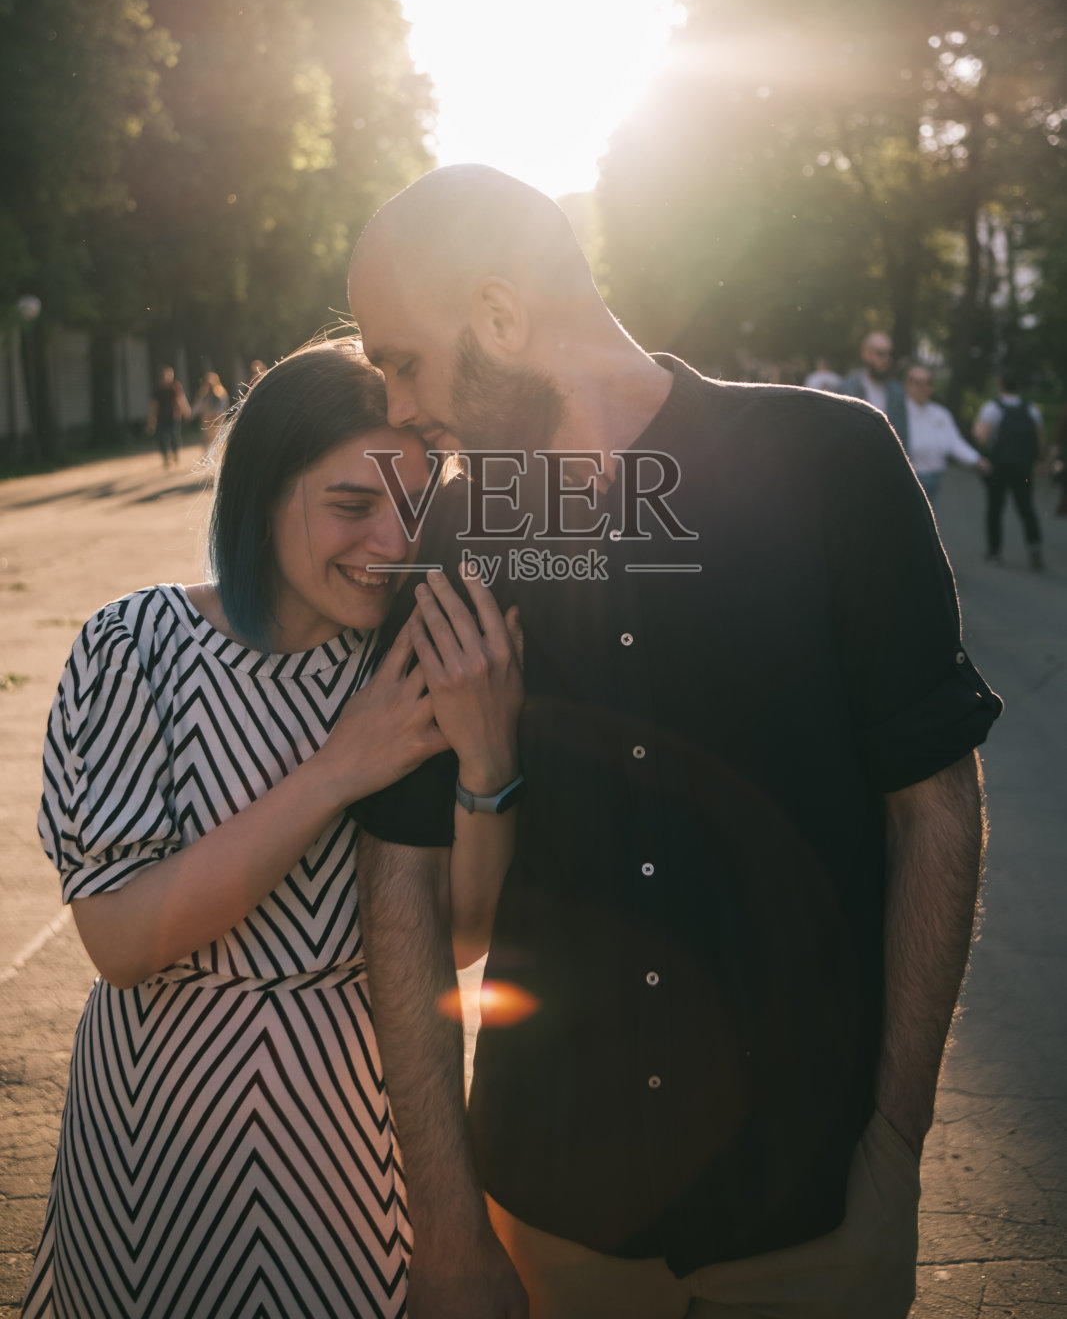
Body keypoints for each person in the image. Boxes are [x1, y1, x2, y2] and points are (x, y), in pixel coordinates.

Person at [346, 165, 1002, 1319]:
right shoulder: (465, 525)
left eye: (401, 361)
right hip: (551, 1212)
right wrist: (447, 1225)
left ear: (499, 315)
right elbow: (400, 876)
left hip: (813, 1213)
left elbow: (934, 806)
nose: (396, 405)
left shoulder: (829, 462)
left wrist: (894, 1145)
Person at [23, 339, 524, 1319]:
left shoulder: (414, 660)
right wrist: (338, 769)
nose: (392, 544)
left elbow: (461, 938)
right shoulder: (137, 645)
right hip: (158, 1134)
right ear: (260, 493)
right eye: (351, 505)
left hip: (358, 1137)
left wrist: (487, 763)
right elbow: (120, 940)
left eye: (416, 509)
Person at [974, 370, 1045, 569]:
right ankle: (1035, 548)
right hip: (1023, 467)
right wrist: (1039, 461)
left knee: (995, 508)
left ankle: (994, 552)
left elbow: (983, 437)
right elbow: (1040, 439)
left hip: (1000, 466)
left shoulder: (992, 408)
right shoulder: (1031, 409)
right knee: (1026, 507)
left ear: (1000, 385)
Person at [903, 363, 989, 505]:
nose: (923, 388)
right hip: (909, 478)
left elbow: (954, 442)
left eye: (928, 383)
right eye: (917, 382)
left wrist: (976, 459)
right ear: (907, 385)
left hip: (935, 477)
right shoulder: (900, 413)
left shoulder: (941, 414)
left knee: (929, 515)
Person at [835, 332, 909, 449]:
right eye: (880, 353)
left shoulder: (897, 391)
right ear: (866, 354)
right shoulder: (847, 388)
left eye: (889, 354)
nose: (886, 359)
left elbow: (902, 436)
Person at [145, 365, 191, 469]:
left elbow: (181, 399)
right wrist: (151, 420)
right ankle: (166, 457)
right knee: (162, 437)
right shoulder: (158, 389)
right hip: (161, 416)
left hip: (174, 415)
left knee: (174, 435)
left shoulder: (175, 386)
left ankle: (175, 453)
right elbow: (154, 405)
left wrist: (186, 410)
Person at [191, 369, 231, 449]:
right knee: (206, 438)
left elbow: (223, 406)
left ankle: (216, 451)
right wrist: (192, 413)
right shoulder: (203, 393)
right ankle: (208, 452)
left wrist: (220, 415)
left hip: (216, 419)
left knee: (216, 437)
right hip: (206, 419)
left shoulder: (220, 392)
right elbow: (199, 404)